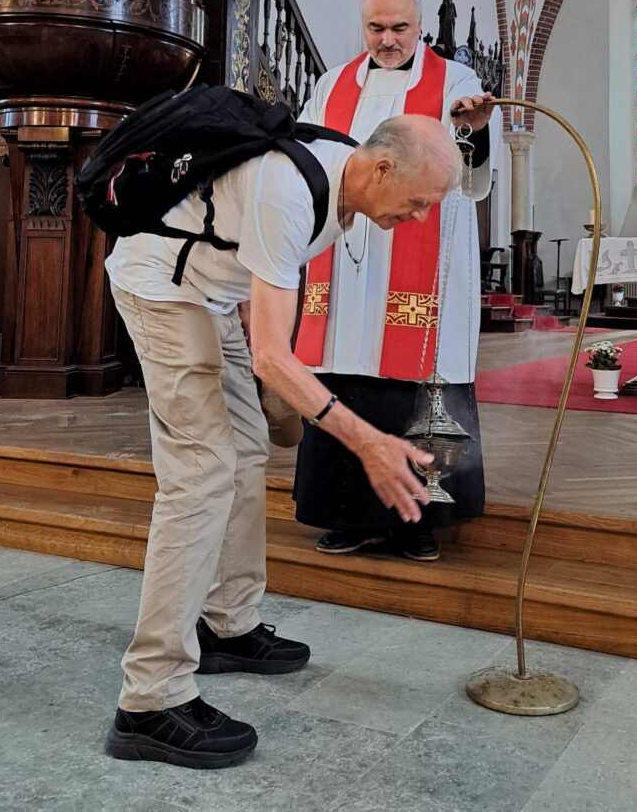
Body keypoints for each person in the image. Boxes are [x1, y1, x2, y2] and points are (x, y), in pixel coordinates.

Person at [103, 112, 466, 770]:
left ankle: (227, 623)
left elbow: (251, 264)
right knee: (201, 474)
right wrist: (368, 442)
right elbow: (275, 356)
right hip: (161, 287)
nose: (417, 219)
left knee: (245, 451)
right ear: (383, 168)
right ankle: (149, 699)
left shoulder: (338, 176)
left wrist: (256, 370)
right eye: (418, 203)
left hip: (212, 298)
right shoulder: (292, 190)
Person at [292, 0, 502, 562]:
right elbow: (308, 158)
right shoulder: (331, 85)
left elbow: (471, 171)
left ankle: (418, 522)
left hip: (421, 261)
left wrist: (473, 132)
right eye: (376, 28)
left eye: (399, 28)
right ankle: (346, 515)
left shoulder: (454, 81)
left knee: (417, 389)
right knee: (342, 379)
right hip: (345, 263)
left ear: (420, 26)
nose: (387, 40)